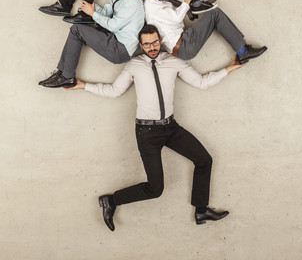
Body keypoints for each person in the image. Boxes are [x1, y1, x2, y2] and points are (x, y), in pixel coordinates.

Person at [69, 24, 245, 230]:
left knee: (204, 160)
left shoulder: (174, 61)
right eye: (146, 44)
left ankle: (201, 210)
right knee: (155, 189)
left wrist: (229, 69)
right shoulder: (134, 64)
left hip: (171, 128)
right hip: (147, 133)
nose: (152, 47)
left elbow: (201, 82)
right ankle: (111, 201)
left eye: (154, 42)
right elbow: (115, 90)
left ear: (159, 40)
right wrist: (83, 85)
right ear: (140, 45)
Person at [38, 0, 144, 88]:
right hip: (115, 42)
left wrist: (92, 13)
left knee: (77, 29)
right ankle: (63, 73)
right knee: (76, 30)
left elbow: (113, 25)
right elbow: (104, 13)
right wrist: (86, 0)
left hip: (120, 48)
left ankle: (66, 76)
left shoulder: (132, 1)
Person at [137, 0, 268, 64]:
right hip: (183, 45)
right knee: (215, 14)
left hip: (184, 41)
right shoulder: (150, 7)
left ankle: (242, 50)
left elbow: (182, 2)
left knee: (215, 14)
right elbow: (178, 17)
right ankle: (242, 51)